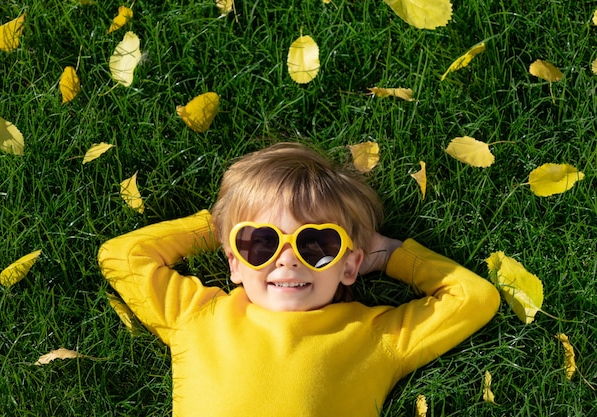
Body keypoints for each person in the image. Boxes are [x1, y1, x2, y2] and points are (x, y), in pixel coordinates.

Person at [98, 142, 500, 417]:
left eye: (316, 244)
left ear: (349, 266)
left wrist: (393, 255)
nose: (287, 260)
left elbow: (474, 297)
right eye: (260, 242)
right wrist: (218, 225)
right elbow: (121, 256)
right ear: (234, 263)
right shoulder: (197, 316)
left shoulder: (375, 335)